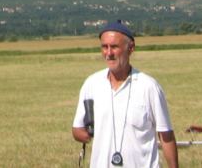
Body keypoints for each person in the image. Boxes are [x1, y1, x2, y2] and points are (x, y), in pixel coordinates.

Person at [72, 19, 178, 168]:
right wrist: (87, 134)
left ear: (131, 48)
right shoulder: (91, 84)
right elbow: (77, 130)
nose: (109, 53)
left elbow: (166, 136)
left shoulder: (149, 87)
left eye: (114, 47)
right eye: (104, 47)